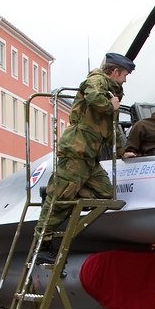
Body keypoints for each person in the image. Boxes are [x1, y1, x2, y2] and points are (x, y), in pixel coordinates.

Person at [40, 53, 134, 253]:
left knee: (106, 195)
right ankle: (43, 243)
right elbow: (93, 97)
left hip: (91, 156)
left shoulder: (111, 93)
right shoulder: (97, 80)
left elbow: (111, 127)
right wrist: (110, 105)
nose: (125, 79)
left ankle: (53, 190)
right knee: (61, 199)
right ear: (115, 71)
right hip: (77, 150)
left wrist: (122, 152)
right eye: (124, 74)